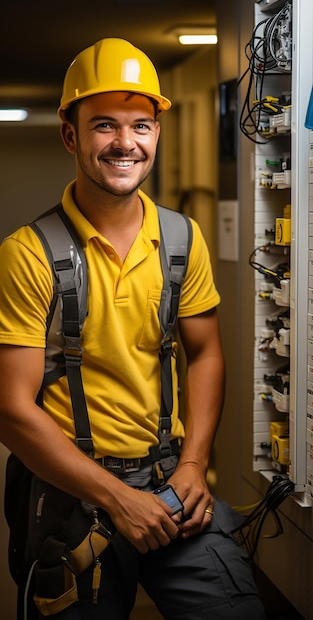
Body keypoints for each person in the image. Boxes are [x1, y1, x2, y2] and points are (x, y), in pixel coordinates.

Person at [0, 38, 266, 619]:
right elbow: (10, 409)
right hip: (72, 495)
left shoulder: (181, 239)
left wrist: (193, 463)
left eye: (141, 125)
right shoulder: (28, 254)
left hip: (170, 481)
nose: (126, 143)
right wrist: (117, 499)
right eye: (104, 126)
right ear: (71, 135)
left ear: (156, 133)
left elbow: (206, 354)